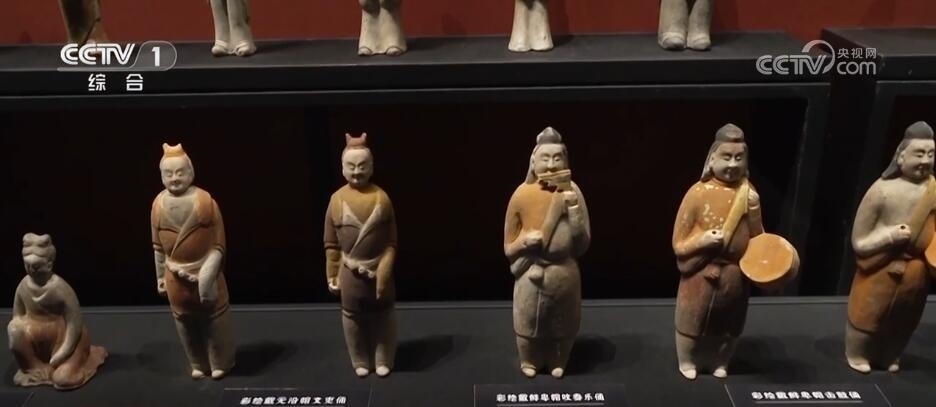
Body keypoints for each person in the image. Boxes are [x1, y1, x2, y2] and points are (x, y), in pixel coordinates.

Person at [672, 123, 763, 380]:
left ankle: (719, 362)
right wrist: (702, 240)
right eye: (726, 157)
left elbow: (759, 239)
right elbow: (679, 243)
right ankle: (688, 360)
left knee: (729, 326)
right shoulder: (697, 194)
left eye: (739, 158)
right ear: (712, 159)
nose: (732, 164)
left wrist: (754, 212)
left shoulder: (749, 194)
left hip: (735, 273)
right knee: (692, 321)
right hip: (701, 272)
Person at [847, 121, 936, 373]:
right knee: (867, 314)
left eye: (931, 154)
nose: (925, 160)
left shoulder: (933, 190)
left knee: (904, 320)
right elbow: (860, 240)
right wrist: (889, 237)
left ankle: (890, 355)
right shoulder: (881, 191)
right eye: (919, 153)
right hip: (882, 267)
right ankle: (857, 353)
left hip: (917, 270)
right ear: (901, 155)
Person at [504, 127, 591, 378]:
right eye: (545, 158)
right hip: (531, 272)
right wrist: (524, 243)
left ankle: (558, 360)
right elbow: (508, 247)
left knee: (563, 324)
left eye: (557, 158)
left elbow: (582, 243)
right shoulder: (521, 195)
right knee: (528, 323)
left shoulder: (573, 192)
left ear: (565, 161)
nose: (551, 165)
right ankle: (528, 360)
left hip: (564, 271)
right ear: (533, 162)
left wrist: (573, 209)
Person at [151, 143, 235, 379]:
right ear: (162, 176)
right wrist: (160, 276)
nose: (175, 178)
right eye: (169, 174)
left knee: (215, 321)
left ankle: (221, 362)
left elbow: (219, 244)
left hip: (205, 272)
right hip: (175, 276)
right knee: (185, 323)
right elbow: (158, 247)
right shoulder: (158, 206)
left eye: (180, 172)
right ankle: (197, 363)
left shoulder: (205, 202)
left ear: (191, 172)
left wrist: (208, 272)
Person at [324, 133, 398, 377]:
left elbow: (391, 242)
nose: (357, 171)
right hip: (350, 273)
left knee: (383, 317)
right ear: (342, 169)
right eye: (351, 166)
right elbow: (331, 245)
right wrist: (332, 272)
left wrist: (385, 267)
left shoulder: (382, 198)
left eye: (362, 166)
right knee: (352, 318)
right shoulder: (336, 200)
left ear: (372, 167)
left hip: (378, 271)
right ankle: (360, 359)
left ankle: (383, 358)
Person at [8, 233, 107, 390]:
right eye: (27, 265)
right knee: (13, 328)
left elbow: (74, 323)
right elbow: (17, 316)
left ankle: (81, 361)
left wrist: (62, 353)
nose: (32, 270)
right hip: (39, 345)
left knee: (63, 379)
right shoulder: (23, 286)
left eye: (36, 266)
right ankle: (35, 367)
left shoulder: (60, 288)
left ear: (49, 263)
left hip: (65, 342)